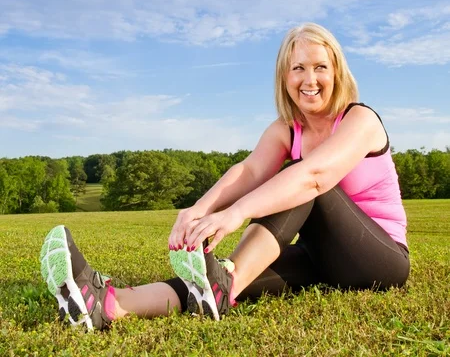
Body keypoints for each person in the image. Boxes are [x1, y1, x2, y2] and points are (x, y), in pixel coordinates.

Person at [40, 22, 410, 330]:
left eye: (320, 67)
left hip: (380, 260)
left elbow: (314, 177)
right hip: (322, 259)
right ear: (285, 76)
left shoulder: (360, 120)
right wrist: (199, 209)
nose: (308, 79)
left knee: (298, 179)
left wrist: (233, 215)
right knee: (219, 281)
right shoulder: (286, 129)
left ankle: (222, 281)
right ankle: (108, 304)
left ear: (337, 73)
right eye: (298, 68)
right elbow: (249, 170)